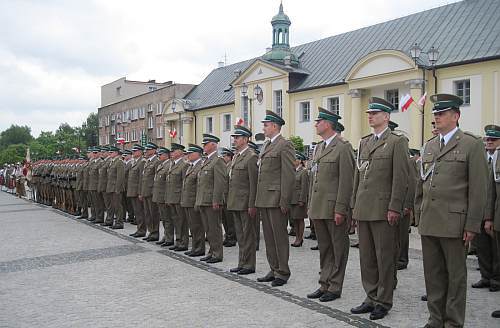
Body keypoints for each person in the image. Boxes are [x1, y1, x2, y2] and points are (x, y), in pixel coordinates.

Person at [415, 94, 488, 328]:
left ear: (455, 116)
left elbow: (478, 188)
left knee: (455, 277)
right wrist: (419, 213)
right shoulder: (430, 145)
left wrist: (472, 224)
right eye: (435, 114)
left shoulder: (471, 144)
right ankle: (435, 319)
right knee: (433, 275)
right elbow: (422, 184)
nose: (436, 117)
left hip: (455, 223)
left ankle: (453, 322)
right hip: (430, 221)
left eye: (441, 113)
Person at [351, 97, 409, 320]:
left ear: (386, 117)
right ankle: (370, 296)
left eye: (374, 113)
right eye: (369, 113)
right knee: (367, 258)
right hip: (364, 208)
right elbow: (359, 177)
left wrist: (395, 207)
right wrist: (354, 207)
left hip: (384, 209)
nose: (370, 116)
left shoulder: (397, 142)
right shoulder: (364, 142)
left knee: (384, 257)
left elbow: (400, 178)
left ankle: (383, 300)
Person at [307, 107, 354, 302]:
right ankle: (324, 282)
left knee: (338, 249)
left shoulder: (343, 148)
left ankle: (335, 287)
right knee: (325, 248)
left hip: (333, 208)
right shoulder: (319, 147)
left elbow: (346, 181)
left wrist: (341, 208)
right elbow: (314, 179)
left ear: (328, 124)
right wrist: (311, 205)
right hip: (319, 207)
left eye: (319, 121)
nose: (316, 124)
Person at [255, 110, 295, 287]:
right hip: (264, 197)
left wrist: (284, 200)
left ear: (274, 126)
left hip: (276, 198)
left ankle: (283, 271)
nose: (263, 128)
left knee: (279, 237)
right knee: (269, 237)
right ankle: (273, 268)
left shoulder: (284, 145)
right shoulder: (266, 145)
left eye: (266, 125)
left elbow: (288, 174)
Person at [471, 125, 500, 291]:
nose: (489, 142)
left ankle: (496, 279)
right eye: (487, 139)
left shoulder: (497, 159)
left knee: (496, 249)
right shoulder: (480, 156)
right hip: (479, 210)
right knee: (481, 246)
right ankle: (486, 276)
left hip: (494, 211)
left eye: (493, 140)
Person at [227, 125, 258, 275]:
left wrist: (252, 204)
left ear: (245, 139)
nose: (235, 140)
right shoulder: (237, 156)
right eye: (234, 138)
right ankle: (242, 262)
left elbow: (253, 183)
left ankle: (249, 265)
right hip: (235, 202)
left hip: (245, 203)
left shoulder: (251, 157)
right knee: (240, 235)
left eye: (237, 138)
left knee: (248, 235)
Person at [196, 134, 228, 264]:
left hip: (211, 201)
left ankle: (217, 253)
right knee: (208, 228)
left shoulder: (218, 160)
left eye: (206, 144)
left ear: (213, 145)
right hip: (204, 200)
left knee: (214, 228)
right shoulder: (207, 160)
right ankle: (211, 251)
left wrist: (217, 200)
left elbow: (220, 183)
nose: (204, 146)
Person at [181, 144, 205, 257]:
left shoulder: (200, 165)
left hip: (194, 200)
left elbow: (200, 186)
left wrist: (197, 201)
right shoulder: (190, 166)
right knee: (192, 226)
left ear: (197, 154)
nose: (188, 155)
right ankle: (195, 247)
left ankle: (199, 248)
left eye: (190, 153)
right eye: (188, 153)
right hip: (188, 201)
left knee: (197, 226)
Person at [166, 143, 189, 252]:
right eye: (171, 152)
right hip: (172, 198)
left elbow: (185, 184)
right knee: (176, 221)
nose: (171, 153)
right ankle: (178, 240)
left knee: (182, 222)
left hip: (179, 198)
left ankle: (183, 242)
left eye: (174, 151)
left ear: (180, 152)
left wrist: (183, 199)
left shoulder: (184, 165)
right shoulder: (173, 164)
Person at [139, 142, 161, 242]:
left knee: (153, 214)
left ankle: (155, 233)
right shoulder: (147, 162)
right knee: (147, 214)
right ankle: (151, 231)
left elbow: (157, 179)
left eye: (148, 150)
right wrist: (142, 192)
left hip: (151, 192)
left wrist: (154, 192)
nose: (146, 152)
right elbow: (143, 178)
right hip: (145, 192)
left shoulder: (156, 162)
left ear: (154, 150)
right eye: (146, 150)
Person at [290, 152, 309, 247]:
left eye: (295, 159)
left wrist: (302, 200)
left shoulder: (303, 172)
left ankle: (300, 238)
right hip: (292, 199)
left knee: (300, 220)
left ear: (300, 161)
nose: (293, 161)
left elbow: (304, 187)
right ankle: (297, 237)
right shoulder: (293, 171)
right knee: (294, 220)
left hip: (299, 200)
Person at [128, 144, 147, 238]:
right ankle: (139, 229)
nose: (133, 152)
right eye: (133, 151)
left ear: (140, 152)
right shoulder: (135, 162)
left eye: (135, 151)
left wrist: (140, 192)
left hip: (137, 191)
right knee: (137, 212)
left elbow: (141, 179)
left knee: (140, 212)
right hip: (133, 191)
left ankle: (142, 230)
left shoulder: (142, 162)